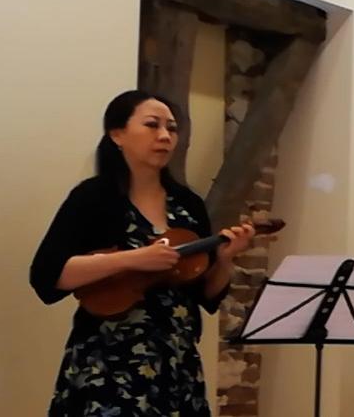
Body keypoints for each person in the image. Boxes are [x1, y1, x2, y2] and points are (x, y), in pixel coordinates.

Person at [29, 90, 257, 416]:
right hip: (109, 362)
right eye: (152, 125)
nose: (164, 136)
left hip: (176, 361)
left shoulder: (188, 205)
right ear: (117, 134)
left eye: (172, 128)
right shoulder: (93, 198)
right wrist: (134, 258)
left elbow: (205, 294)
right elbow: (47, 275)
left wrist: (225, 259)